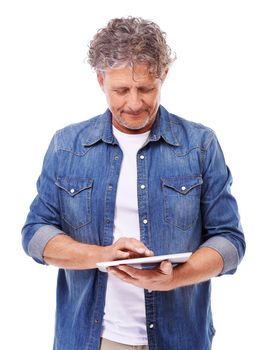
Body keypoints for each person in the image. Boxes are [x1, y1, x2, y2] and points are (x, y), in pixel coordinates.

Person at [22, 17, 246, 350]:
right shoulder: (66, 145)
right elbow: (36, 235)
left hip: (180, 340)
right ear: (101, 80)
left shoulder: (200, 145)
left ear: (163, 77)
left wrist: (174, 279)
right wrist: (103, 254)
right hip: (92, 340)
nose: (134, 103)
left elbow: (230, 242)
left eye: (145, 88)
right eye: (121, 90)